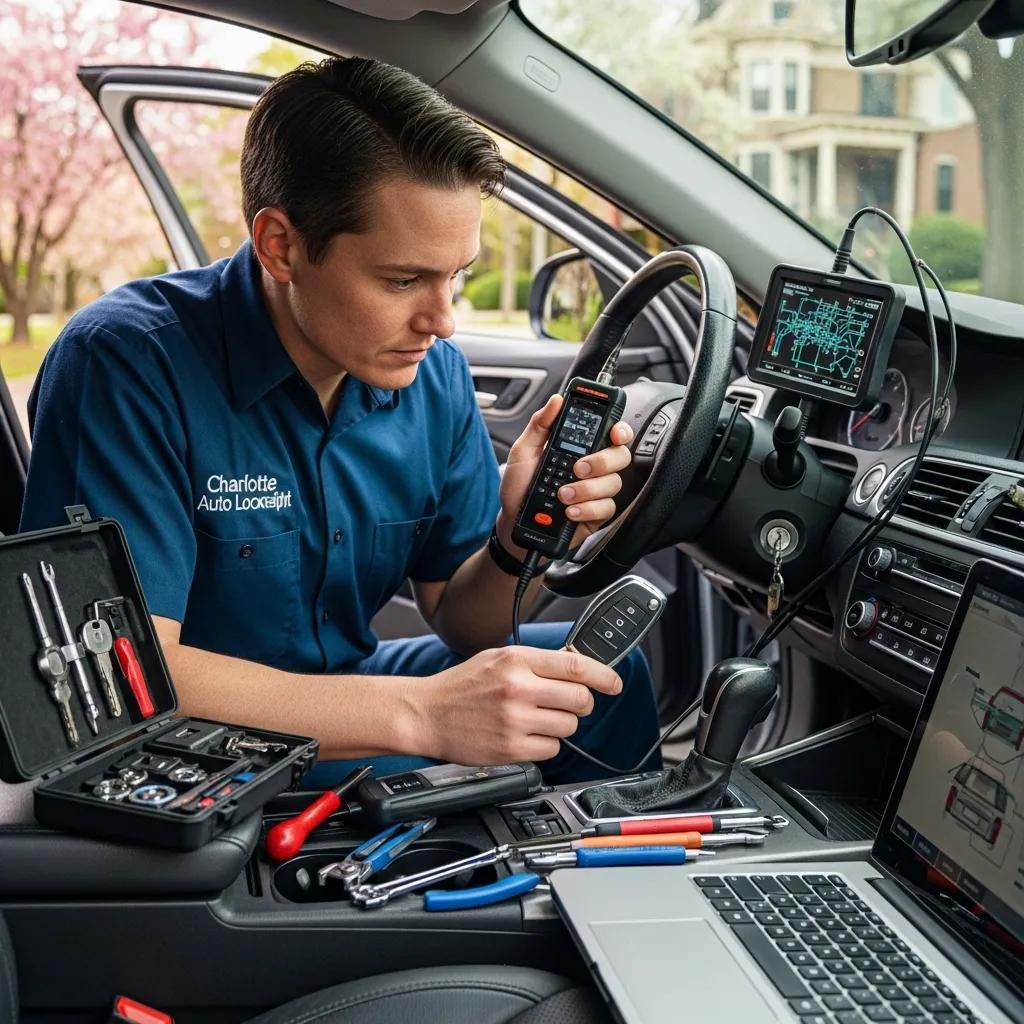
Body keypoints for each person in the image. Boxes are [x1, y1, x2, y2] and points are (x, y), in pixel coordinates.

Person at [20, 57, 660, 786]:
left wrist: (519, 540)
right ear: (280, 246)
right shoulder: (127, 363)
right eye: (403, 279)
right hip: (193, 752)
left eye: (456, 276)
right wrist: (420, 713)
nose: (442, 321)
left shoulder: (431, 374)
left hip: (358, 685)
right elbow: (118, 677)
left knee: (602, 681)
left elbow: (461, 617)